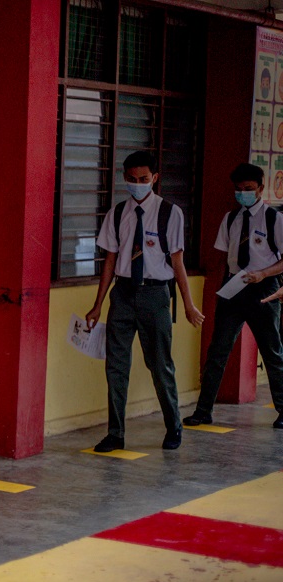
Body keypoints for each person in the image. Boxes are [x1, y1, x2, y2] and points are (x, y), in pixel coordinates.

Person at [85, 151, 204, 452]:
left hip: (155, 294)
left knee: (161, 365)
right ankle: (116, 433)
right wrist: (98, 304)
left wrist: (188, 304)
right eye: (132, 179)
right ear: (124, 178)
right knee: (116, 366)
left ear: (155, 178)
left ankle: (173, 426)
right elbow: (110, 261)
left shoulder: (169, 213)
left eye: (144, 179)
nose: (138, 184)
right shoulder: (117, 214)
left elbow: (177, 263)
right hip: (122, 295)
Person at [182, 164, 283, 429]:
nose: (243, 194)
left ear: (261, 188)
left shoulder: (275, 219)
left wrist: (264, 273)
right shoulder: (231, 218)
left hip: (264, 289)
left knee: (272, 352)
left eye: (248, 190)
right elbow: (223, 256)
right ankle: (203, 411)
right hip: (234, 287)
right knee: (217, 351)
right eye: (238, 190)